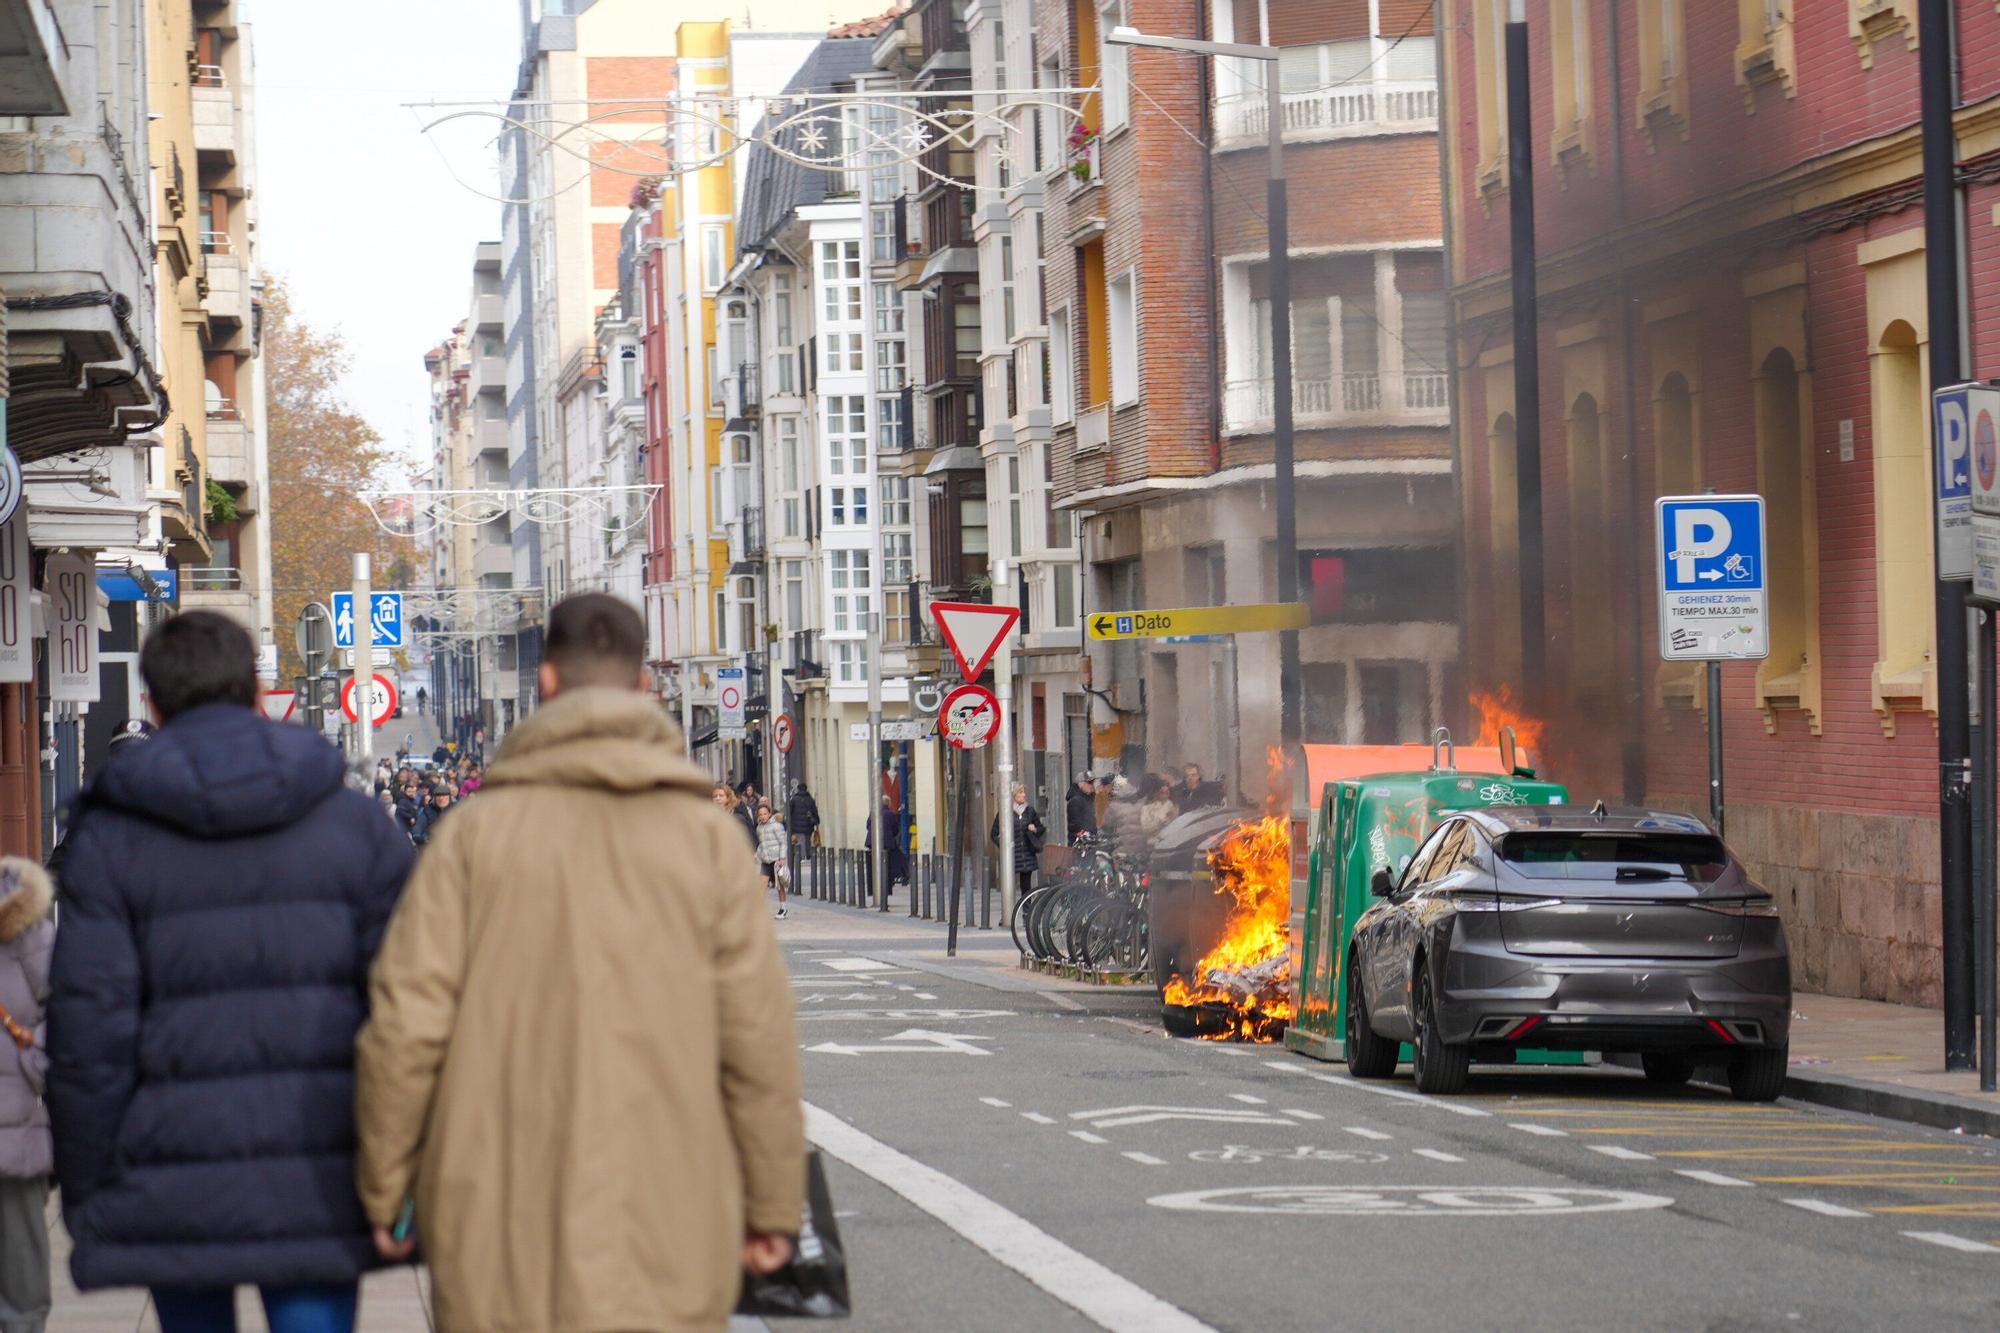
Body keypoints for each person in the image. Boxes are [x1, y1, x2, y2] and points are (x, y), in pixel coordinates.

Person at [356, 592, 803, 1333]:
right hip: (671, 1206)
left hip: (498, 1212)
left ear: (548, 684)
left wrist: (388, 1189)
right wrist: (772, 1204)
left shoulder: (471, 837)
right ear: (643, 687)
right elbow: (757, 1037)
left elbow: (405, 1028)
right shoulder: (708, 840)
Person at [45, 610, 414, 1331]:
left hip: (168, 1166)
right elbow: (410, 1009)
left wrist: (89, 1189)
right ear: (258, 692)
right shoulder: (356, 825)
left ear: (151, 704)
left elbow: (88, 1033)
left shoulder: (110, 838)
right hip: (322, 1167)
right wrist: (405, 1169)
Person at [0, 857, 55, 1333]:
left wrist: (32, 1066)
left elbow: (66, 1012)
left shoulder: (29, 932)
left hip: (13, 1136)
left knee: (21, 1298)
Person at [990, 784, 1046, 905]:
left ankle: (1026, 911)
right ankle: (1007, 912)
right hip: (1011, 854)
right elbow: (994, 833)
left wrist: (1035, 829)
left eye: (1024, 792)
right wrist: (1004, 845)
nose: (1023, 795)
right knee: (1008, 886)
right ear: (1013, 795)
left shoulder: (1030, 811)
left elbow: (1041, 829)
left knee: (1026, 886)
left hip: (1026, 855)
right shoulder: (1004, 812)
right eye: (1020, 792)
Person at [754, 801, 789, 920]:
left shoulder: (777, 826)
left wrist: (782, 858)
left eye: (765, 814)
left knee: (780, 886)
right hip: (765, 860)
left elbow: (783, 842)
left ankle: (783, 908)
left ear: (769, 814)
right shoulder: (759, 828)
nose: (763, 816)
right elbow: (762, 844)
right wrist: (757, 853)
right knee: (761, 886)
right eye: (760, 814)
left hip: (776, 860)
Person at [786, 780, 821, 885]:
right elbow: (815, 812)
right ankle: (807, 855)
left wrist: (790, 824)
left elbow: (790, 812)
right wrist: (817, 821)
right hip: (808, 825)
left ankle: (800, 856)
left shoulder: (794, 799)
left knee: (799, 840)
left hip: (796, 826)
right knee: (807, 839)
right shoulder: (810, 799)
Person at [1066, 772, 1098, 843]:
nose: (1092, 785)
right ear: (1080, 784)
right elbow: (1076, 824)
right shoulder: (1075, 801)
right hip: (1080, 843)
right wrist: (1088, 834)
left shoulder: (1089, 798)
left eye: (1093, 782)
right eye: (1089, 782)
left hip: (1089, 840)